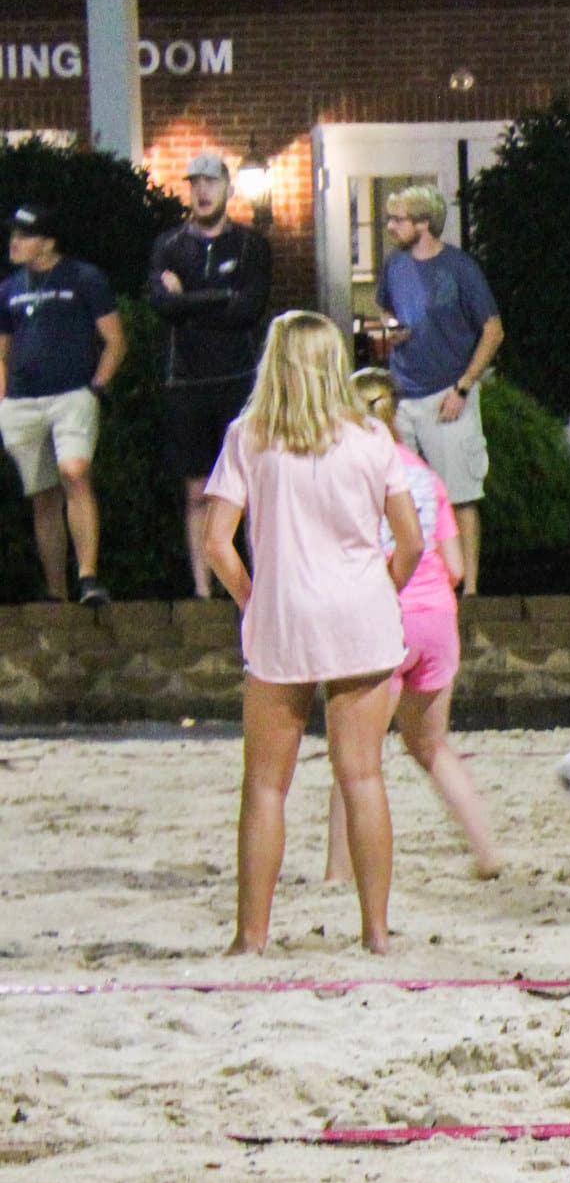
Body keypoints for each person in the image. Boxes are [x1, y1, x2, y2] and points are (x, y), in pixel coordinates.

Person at [202, 313, 423, 956]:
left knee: (267, 786)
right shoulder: (371, 439)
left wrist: (252, 597)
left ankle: (252, 938)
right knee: (363, 778)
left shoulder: (249, 436)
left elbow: (217, 544)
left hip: (284, 614)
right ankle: (376, 933)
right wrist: (383, 588)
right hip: (360, 611)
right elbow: (409, 542)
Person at [323, 368, 503, 877]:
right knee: (432, 747)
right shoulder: (425, 476)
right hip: (437, 622)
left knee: (352, 756)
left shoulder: (348, 475)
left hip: (385, 618)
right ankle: (487, 852)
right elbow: (457, 566)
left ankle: (338, 871)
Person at [148, 152, 274, 599]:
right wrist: (219, 296)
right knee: (197, 490)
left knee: (250, 488)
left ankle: (256, 588)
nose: (201, 191)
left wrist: (191, 298)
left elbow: (248, 310)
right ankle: (203, 590)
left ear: (228, 189)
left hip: (238, 380)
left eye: (210, 182)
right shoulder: (169, 245)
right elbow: (162, 305)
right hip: (186, 381)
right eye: (194, 183)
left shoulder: (250, 246)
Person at [368, 184, 499, 595]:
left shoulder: (460, 268)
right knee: (404, 495)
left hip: (448, 394)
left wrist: (463, 387)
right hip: (403, 396)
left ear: (424, 223)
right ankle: (417, 585)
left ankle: (471, 588)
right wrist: (392, 328)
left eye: (399, 219)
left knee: (459, 493)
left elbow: (493, 331)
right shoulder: (394, 265)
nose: (390, 226)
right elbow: (385, 308)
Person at [1, 203, 125, 605]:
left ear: (48, 242)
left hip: (72, 395)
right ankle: (57, 593)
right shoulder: (9, 289)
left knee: (75, 472)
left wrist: (97, 386)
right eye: (13, 235)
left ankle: (88, 576)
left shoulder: (83, 278)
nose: (14, 242)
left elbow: (115, 340)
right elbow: (1, 352)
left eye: (25, 235)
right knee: (43, 497)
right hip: (22, 402)